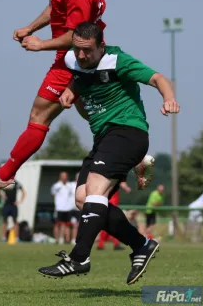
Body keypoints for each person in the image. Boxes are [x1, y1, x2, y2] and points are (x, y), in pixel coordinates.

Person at [0, 0, 152, 192]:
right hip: (76, 56)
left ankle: (5, 174)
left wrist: (40, 44)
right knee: (94, 114)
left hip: (74, 58)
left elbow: (77, 37)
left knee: (40, 114)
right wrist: (31, 27)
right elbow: (56, 6)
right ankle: (135, 155)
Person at [38, 21, 180, 284]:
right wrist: (71, 90)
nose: (82, 56)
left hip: (128, 132)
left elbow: (158, 78)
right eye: (77, 49)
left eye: (88, 51)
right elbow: (81, 81)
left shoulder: (117, 60)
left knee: (94, 189)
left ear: (101, 46)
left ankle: (79, 258)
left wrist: (168, 98)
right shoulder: (74, 61)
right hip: (104, 138)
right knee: (83, 198)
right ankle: (141, 245)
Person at [97, 182, 131, 250]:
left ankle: (101, 244)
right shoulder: (114, 176)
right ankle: (115, 244)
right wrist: (126, 188)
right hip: (112, 203)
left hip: (105, 203)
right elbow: (121, 182)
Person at [51, 172, 72, 244]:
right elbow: (53, 193)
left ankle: (65, 239)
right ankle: (56, 239)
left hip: (67, 208)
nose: (64, 177)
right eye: (63, 176)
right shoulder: (56, 185)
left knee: (67, 224)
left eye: (65, 176)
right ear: (60, 177)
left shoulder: (69, 185)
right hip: (59, 208)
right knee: (57, 224)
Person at [69, 173, 80, 244]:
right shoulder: (70, 185)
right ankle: (72, 239)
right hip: (72, 208)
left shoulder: (84, 185)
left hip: (80, 209)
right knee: (74, 225)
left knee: (79, 225)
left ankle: (77, 239)